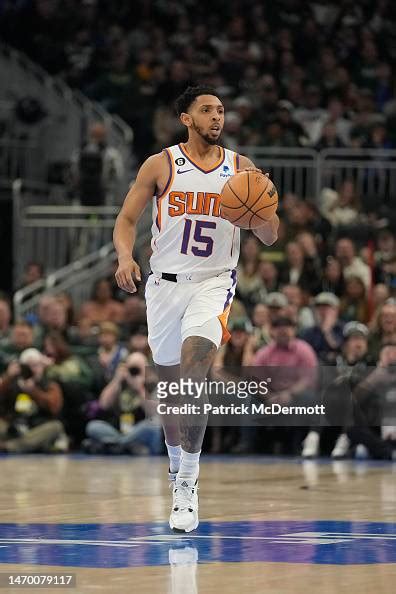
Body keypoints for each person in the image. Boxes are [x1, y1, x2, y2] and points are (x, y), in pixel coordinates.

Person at [113, 85, 279, 533]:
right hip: (164, 286)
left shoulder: (240, 169)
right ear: (186, 118)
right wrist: (125, 257)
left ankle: (188, 483)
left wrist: (261, 203)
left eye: (221, 110)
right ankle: (175, 471)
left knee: (193, 373)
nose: (216, 117)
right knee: (171, 391)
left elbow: (271, 236)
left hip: (214, 282)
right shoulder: (161, 164)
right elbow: (127, 219)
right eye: (206, 110)